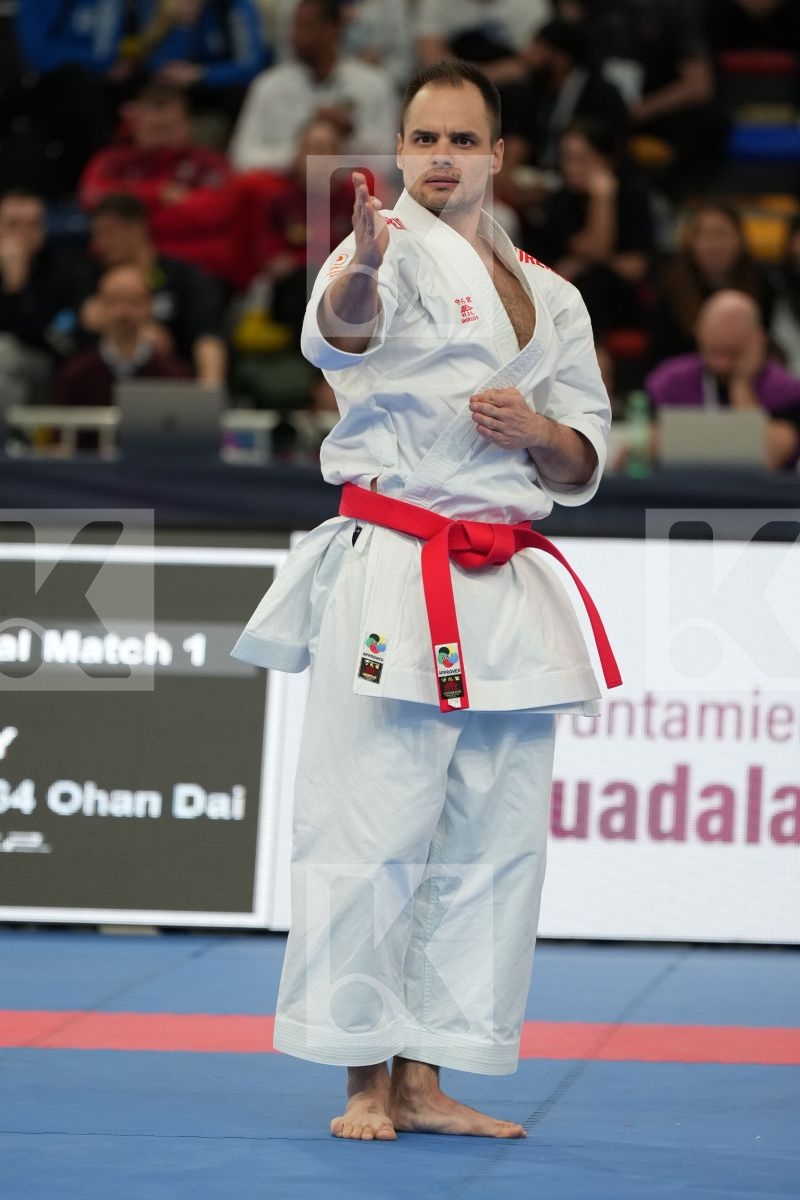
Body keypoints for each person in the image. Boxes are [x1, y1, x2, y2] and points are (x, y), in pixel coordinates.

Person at [231, 59, 619, 1140]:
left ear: (497, 154)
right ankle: (362, 1079)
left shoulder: (551, 295)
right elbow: (339, 333)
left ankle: (426, 1076)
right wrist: (358, 267)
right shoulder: (378, 248)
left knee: (491, 836)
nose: (439, 157)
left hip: (503, 579)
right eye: (421, 139)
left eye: (460, 140)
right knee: (371, 820)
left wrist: (540, 432)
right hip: (397, 569)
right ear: (399, 151)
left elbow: (583, 455)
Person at [79, 81, 247, 286]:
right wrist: (158, 193)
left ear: (187, 123)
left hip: (195, 265)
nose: (160, 135)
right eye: (153, 127)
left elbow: (214, 213)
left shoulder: (209, 163)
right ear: (135, 123)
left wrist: (134, 216)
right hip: (117, 262)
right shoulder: (113, 160)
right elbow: (93, 196)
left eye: (168, 128)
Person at [228, 0, 398, 171]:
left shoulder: (373, 84)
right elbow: (241, 158)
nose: (294, 36)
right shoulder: (269, 85)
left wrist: (351, 134)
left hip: (349, 182)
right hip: (285, 182)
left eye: (305, 27)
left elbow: (390, 163)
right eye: (294, 27)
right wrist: (298, 156)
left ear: (332, 30)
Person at [78, 194, 227, 386]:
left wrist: (209, 392)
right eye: (97, 234)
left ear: (138, 228)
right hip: (104, 382)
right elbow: (87, 315)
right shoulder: (93, 274)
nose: (100, 244)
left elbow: (207, 334)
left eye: (108, 233)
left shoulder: (181, 276)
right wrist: (139, 331)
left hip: (173, 380)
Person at [524, 118, 654, 336]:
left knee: (597, 279)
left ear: (606, 159)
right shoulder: (558, 203)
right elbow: (591, 253)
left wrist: (603, 196)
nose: (570, 168)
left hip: (620, 299)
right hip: (568, 299)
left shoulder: (633, 196)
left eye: (580, 159)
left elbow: (637, 266)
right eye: (566, 158)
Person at [645, 289, 800, 470]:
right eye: (714, 351)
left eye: (734, 353)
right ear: (699, 334)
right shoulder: (669, 382)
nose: (722, 365)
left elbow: (769, 458)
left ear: (758, 340)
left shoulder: (785, 390)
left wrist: (742, 386)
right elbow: (639, 446)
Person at [55, 264, 190, 446]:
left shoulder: (172, 376)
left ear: (149, 306)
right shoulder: (75, 374)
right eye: (114, 301)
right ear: (99, 306)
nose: (123, 312)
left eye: (134, 302)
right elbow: (59, 442)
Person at [499, 18, 629, 181]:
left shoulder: (601, 95)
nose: (528, 55)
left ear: (561, 58)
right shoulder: (532, 88)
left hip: (583, 178)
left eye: (539, 48)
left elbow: (608, 152)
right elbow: (518, 138)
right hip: (537, 176)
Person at [650, 200, 773, 364]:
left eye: (722, 234)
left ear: (740, 239)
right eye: (705, 235)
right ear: (690, 242)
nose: (714, 245)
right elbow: (659, 353)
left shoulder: (762, 286)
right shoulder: (669, 287)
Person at [0, 190, 82, 406]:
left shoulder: (63, 270)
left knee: (3, 350)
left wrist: (15, 287)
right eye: (13, 224)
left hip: (42, 366)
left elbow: (51, 338)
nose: (23, 233)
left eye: (33, 225)